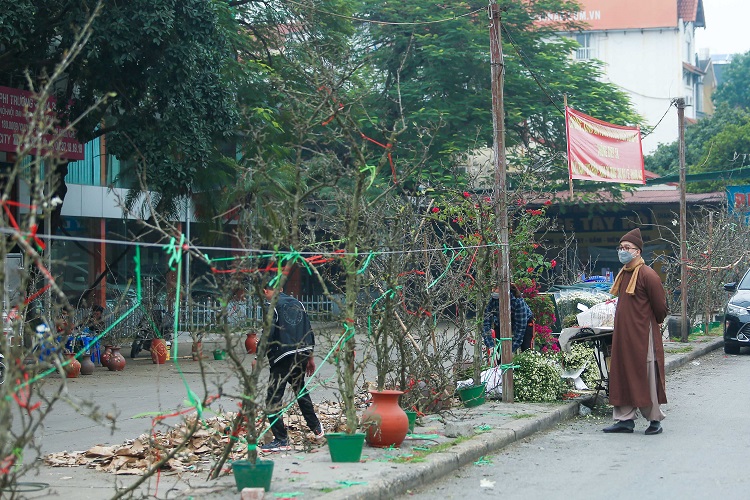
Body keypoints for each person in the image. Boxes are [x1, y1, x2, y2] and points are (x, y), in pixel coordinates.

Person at [603, 228, 668, 435]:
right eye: (621, 248)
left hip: (643, 335)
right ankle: (624, 420)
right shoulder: (624, 274)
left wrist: (649, 324)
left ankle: (654, 420)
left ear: (638, 251)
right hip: (623, 335)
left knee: (645, 374)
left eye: (627, 248)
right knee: (622, 373)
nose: (623, 251)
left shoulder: (648, 275)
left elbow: (660, 308)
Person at [261, 283, 325, 452]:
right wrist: (310, 356)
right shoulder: (298, 303)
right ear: (281, 289)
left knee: (272, 398)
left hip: (283, 356)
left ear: (266, 291)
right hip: (302, 353)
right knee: (300, 390)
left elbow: (268, 333)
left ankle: (281, 439)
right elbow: (308, 330)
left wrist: (257, 356)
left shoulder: (271, 306)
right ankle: (317, 428)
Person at [482, 283, 534, 355]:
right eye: (492, 288)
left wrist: (511, 350)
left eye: (495, 288)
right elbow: (485, 323)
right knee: (499, 352)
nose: (493, 290)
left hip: (524, 322)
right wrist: (490, 345)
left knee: (526, 349)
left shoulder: (517, 301)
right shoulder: (492, 301)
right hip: (501, 322)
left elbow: (520, 329)